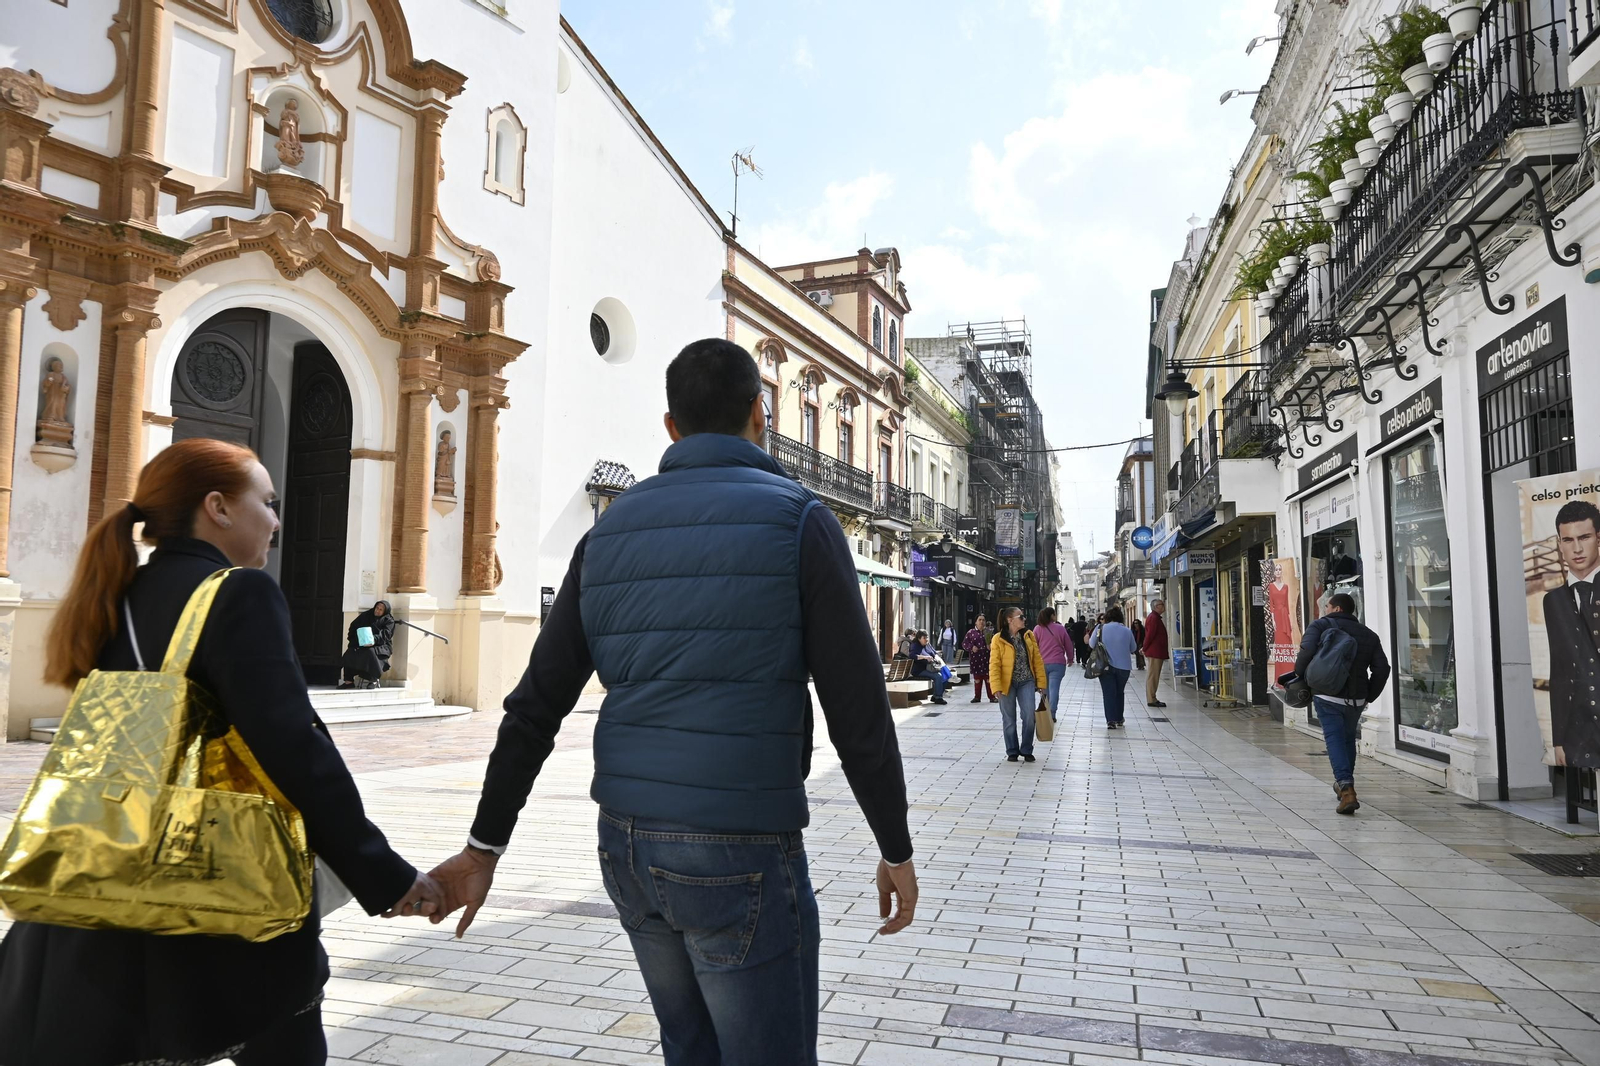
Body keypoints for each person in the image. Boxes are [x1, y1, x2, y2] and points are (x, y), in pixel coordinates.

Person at [423, 339, 917, 1064]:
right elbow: (858, 712)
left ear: (670, 427)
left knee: (689, 1047)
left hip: (628, 843)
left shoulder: (607, 532)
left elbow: (535, 706)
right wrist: (895, 846)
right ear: (761, 412)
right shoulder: (801, 522)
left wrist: (485, 844)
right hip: (740, 840)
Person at [0, 438, 439, 1066]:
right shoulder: (237, 593)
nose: (278, 520)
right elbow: (294, 749)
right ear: (218, 508)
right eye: (267, 501)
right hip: (215, 882)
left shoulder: (117, 593)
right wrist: (385, 874)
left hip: (98, 872)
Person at [1294, 593, 1390, 815]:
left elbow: (1306, 652)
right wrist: (1370, 695)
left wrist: (1300, 676)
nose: (1324, 609)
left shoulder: (1320, 626)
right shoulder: (1369, 635)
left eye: (1327, 606)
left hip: (1327, 694)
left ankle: (1347, 789)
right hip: (1356, 698)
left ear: (1336, 609)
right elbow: (1382, 668)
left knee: (1335, 739)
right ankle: (1344, 785)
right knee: (1347, 740)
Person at [1546, 500, 1600, 768]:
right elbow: (1559, 672)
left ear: (1598, 538)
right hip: (1578, 730)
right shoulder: (1553, 600)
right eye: (1568, 540)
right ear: (1559, 544)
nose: (1576, 548)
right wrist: (1557, 740)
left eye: (1585, 537)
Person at [990, 607, 1046, 762]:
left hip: (1026, 680)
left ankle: (1027, 749)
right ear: (1010, 620)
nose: (1024, 619)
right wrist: (996, 687)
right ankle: (1012, 750)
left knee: (1029, 716)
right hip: (1006, 683)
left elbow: (1037, 661)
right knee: (1009, 718)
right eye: (1021, 617)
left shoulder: (1028, 636)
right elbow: (994, 664)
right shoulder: (998, 638)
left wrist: (1041, 683)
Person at [1089, 606, 1138, 729]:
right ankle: (1119, 718)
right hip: (1124, 667)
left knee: (1108, 693)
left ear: (1107, 618)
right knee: (1119, 692)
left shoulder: (1100, 628)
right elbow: (1133, 648)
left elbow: (1091, 643)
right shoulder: (1127, 630)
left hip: (1105, 666)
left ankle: (1110, 720)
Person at [339, 599, 396, 689]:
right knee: (351, 652)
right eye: (377, 608)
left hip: (381, 646)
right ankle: (348, 681)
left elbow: (385, 635)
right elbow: (353, 626)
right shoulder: (366, 615)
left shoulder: (389, 620)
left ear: (385, 611)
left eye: (381, 610)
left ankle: (373, 679)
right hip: (362, 643)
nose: (377, 611)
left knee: (370, 652)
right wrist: (359, 639)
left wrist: (372, 640)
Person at [1033, 607, 1071, 723]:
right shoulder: (1060, 628)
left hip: (1042, 664)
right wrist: (1070, 658)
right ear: (1052, 616)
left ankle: (1045, 712)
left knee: (1045, 690)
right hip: (1058, 664)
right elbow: (1068, 644)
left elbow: (1033, 647)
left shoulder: (1037, 629)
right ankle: (1052, 713)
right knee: (1054, 689)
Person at [910, 628, 949, 705]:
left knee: (946, 675)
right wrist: (925, 657)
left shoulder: (927, 645)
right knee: (938, 676)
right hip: (919, 670)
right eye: (924, 638)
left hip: (931, 667)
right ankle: (938, 697)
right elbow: (912, 656)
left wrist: (938, 659)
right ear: (919, 638)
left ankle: (935, 696)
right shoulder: (915, 646)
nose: (926, 639)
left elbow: (934, 653)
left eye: (927, 637)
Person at [1143, 599, 1170, 708]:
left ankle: (1152, 697)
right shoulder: (1153, 618)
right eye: (1161, 605)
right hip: (1155, 652)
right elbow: (1150, 635)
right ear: (1156, 606)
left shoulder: (1155, 618)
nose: (1163, 606)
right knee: (1153, 676)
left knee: (1154, 675)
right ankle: (1151, 699)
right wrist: (1144, 648)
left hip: (1157, 651)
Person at [963, 614, 995, 703]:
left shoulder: (988, 632)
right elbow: (964, 644)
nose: (982, 622)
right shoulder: (970, 632)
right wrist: (971, 647)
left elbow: (995, 644)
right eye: (980, 620)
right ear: (976, 622)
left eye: (983, 620)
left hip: (987, 659)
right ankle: (977, 697)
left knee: (989, 680)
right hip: (976, 659)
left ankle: (992, 697)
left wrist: (991, 646)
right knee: (977, 679)